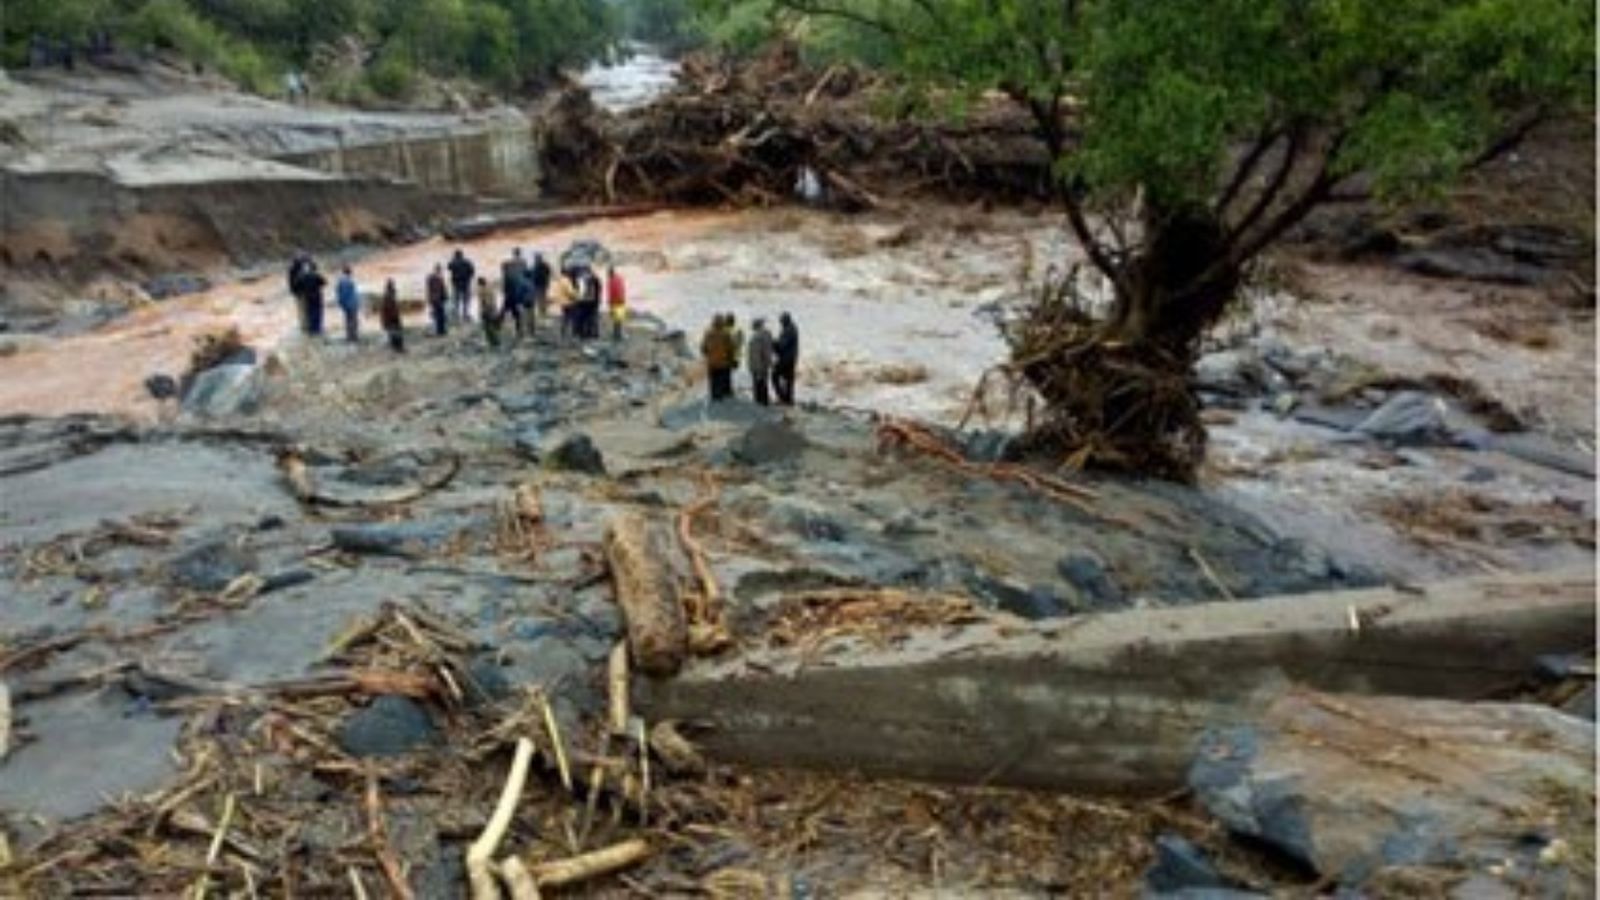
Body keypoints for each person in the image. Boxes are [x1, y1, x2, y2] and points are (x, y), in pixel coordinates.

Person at [700, 315, 735, 402]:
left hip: (711, 363)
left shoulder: (708, 333)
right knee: (721, 379)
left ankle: (714, 395)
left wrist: (708, 355)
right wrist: (731, 359)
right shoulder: (726, 334)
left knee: (713, 380)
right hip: (723, 362)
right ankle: (721, 395)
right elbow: (730, 348)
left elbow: (703, 348)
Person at [501, 248, 529, 339]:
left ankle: (497, 325)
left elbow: (505, 279)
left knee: (505, 310)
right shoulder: (523, 264)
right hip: (519, 292)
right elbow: (526, 277)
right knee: (517, 313)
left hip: (510, 292)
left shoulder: (508, 265)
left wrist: (504, 290)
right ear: (519, 253)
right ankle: (519, 331)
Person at [773, 312, 800, 406]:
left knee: (774, 376)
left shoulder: (788, 330)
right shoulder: (792, 328)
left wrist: (772, 343)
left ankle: (783, 398)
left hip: (786, 359)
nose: (780, 324)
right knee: (788, 380)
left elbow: (782, 345)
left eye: (781, 321)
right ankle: (788, 399)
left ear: (785, 321)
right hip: (791, 358)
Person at [747, 318, 774, 406]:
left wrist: (756, 367)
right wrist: (769, 362)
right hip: (764, 364)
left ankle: (759, 404)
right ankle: (764, 402)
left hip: (757, 366)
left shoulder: (756, 337)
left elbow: (756, 354)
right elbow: (768, 351)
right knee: (763, 384)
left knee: (758, 386)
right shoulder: (767, 335)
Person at [300, 261, 328, 337]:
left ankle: (312, 329)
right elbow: (324, 282)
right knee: (318, 312)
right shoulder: (316, 275)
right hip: (317, 295)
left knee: (310, 312)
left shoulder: (303, 276)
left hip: (307, 297)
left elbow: (299, 285)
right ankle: (318, 328)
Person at [448, 249, 475, 323]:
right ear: (462, 255)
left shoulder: (453, 262)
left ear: (455, 255)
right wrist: (468, 278)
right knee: (466, 300)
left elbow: (449, 267)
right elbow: (472, 271)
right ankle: (465, 315)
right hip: (466, 283)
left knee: (456, 300)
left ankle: (456, 316)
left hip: (456, 284)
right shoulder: (467, 262)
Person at [335, 266, 360, 343]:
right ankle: (353, 336)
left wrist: (341, 303)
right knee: (353, 320)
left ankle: (349, 336)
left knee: (348, 320)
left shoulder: (340, 280)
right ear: (349, 272)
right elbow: (350, 293)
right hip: (351, 303)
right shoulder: (349, 281)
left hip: (346, 304)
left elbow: (338, 292)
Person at [379, 279, 405, 353]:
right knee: (396, 332)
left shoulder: (387, 295)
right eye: (393, 285)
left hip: (390, 318)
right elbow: (390, 309)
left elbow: (385, 309)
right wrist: (396, 317)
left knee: (394, 332)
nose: (394, 287)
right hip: (392, 318)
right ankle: (398, 348)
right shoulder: (389, 296)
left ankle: (397, 347)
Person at [552, 270, 579, 341]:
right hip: (569, 302)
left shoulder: (559, 280)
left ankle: (563, 333)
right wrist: (576, 295)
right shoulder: (566, 281)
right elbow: (570, 292)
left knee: (564, 319)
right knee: (571, 319)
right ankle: (570, 334)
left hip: (562, 302)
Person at [287, 254, 311, 334]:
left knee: (301, 309)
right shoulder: (300, 270)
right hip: (302, 292)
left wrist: (292, 291)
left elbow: (290, 282)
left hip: (297, 292)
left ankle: (303, 325)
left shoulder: (291, 269)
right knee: (305, 308)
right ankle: (305, 326)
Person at [476, 276, 501, 349]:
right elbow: (493, 301)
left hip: (487, 311)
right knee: (491, 326)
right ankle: (494, 342)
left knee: (488, 327)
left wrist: (481, 311)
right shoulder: (490, 288)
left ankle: (494, 342)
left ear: (480, 284)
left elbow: (483, 302)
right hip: (492, 310)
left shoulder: (482, 290)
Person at [425, 264, 449, 336]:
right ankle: (440, 331)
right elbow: (441, 289)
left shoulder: (431, 278)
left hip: (434, 299)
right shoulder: (438, 278)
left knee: (437, 315)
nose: (440, 271)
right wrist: (445, 297)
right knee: (440, 315)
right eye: (439, 269)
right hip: (438, 299)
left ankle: (440, 330)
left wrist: (429, 299)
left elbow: (429, 289)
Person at [605, 265, 627, 342]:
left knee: (616, 319)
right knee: (619, 319)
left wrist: (609, 303)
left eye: (608, 274)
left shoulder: (610, 281)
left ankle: (617, 334)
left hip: (615, 302)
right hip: (619, 301)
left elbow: (611, 293)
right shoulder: (619, 279)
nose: (607, 275)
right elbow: (622, 290)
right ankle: (618, 334)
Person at [726, 312, 745, 396]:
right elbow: (741, 342)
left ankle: (729, 389)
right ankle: (732, 389)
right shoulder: (738, 331)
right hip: (736, 356)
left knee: (727, 374)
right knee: (733, 374)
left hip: (727, 357)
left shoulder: (725, 330)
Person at [530, 252, 552, 319]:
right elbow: (549, 273)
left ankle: (542, 311)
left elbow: (533, 275)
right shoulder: (545, 265)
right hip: (542, 284)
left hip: (538, 285)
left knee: (540, 299)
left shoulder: (535, 266)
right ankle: (542, 311)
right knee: (542, 298)